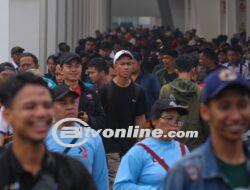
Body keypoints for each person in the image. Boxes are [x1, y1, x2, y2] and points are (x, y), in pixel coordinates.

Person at [0, 72, 96, 189]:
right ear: (7, 115)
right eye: (30, 106)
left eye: (46, 105)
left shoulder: (74, 172)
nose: (41, 113)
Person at [165, 69, 250, 190]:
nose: (235, 116)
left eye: (242, 105)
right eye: (224, 106)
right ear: (205, 112)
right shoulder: (184, 174)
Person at [114, 98, 189, 190]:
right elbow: (120, 186)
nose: (175, 123)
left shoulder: (183, 149)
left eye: (178, 120)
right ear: (154, 121)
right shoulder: (139, 151)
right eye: (169, 118)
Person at [99, 50, 147, 188]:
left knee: (131, 181)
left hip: (131, 145)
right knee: (115, 181)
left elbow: (140, 119)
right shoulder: (105, 90)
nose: (126, 67)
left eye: (129, 63)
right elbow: (100, 118)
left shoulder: (138, 91)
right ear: (115, 67)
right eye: (122, 64)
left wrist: (140, 145)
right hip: (111, 145)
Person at [46, 84, 109, 190]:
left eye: (73, 102)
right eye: (63, 103)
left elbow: (101, 180)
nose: (70, 107)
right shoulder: (41, 138)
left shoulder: (92, 137)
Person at [160, 55, 208, 149]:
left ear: (176, 69)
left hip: (171, 144)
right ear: (193, 69)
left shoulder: (165, 90)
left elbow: (160, 118)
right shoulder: (200, 91)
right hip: (195, 144)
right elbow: (206, 122)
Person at [60, 52, 105, 130]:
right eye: (69, 66)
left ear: (81, 68)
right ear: (61, 70)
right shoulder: (54, 94)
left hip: (85, 139)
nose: (74, 70)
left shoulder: (91, 93)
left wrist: (89, 120)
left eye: (77, 66)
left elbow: (102, 121)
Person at [131, 52, 160, 120]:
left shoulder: (150, 78)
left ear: (139, 62)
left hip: (147, 118)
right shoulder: (124, 79)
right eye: (129, 64)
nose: (131, 66)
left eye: (133, 63)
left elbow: (158, 97)